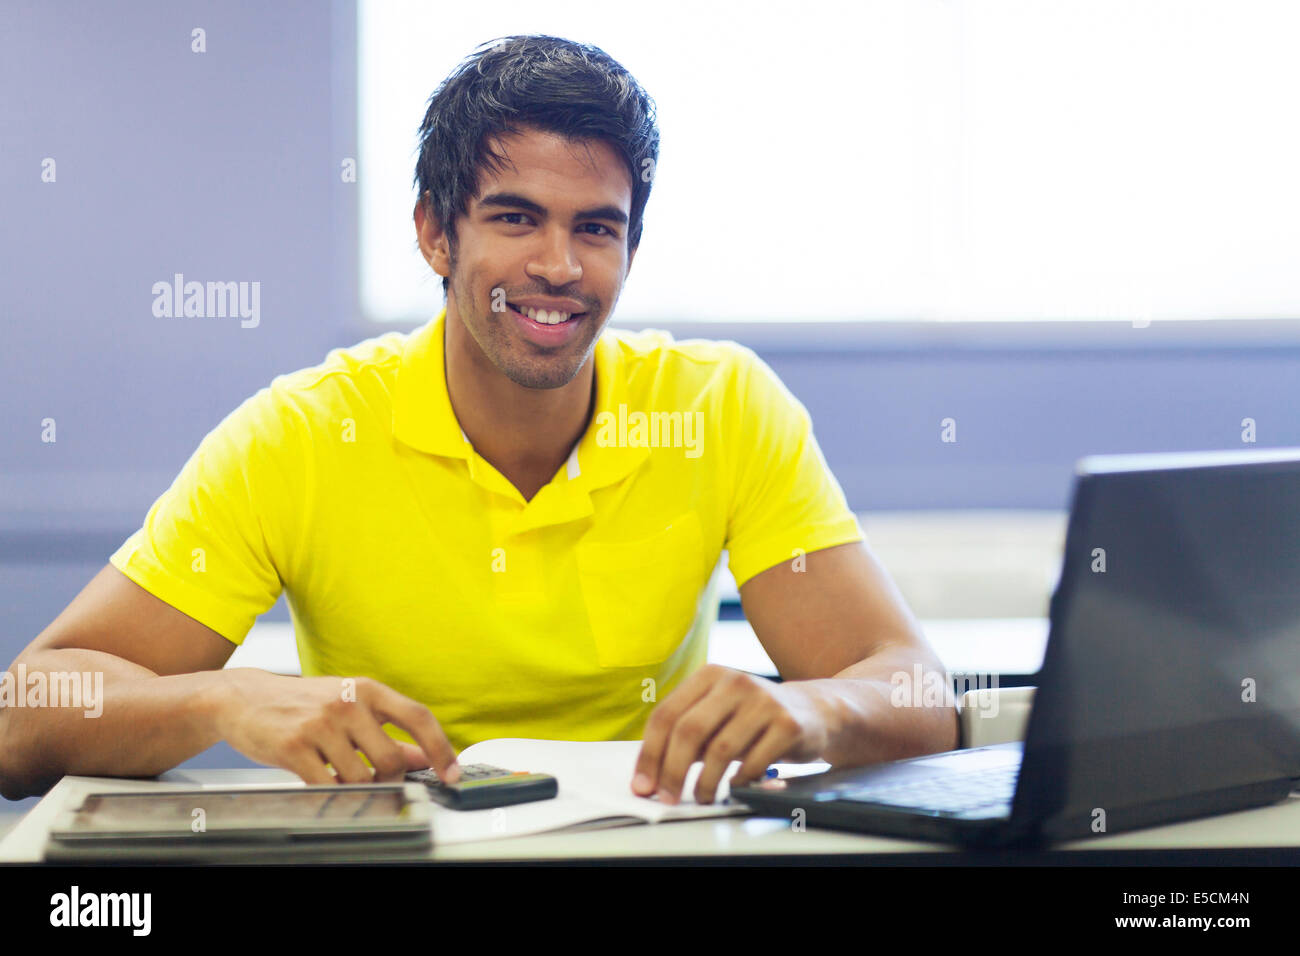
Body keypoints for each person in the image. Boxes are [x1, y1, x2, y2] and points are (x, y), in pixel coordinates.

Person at [0, 34, 956, 806]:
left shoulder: (720, 407)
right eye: (513, 218)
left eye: (597, 227)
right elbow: (22, 718)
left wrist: (816, 713)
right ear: (434, 233)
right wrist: (222, 697)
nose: (558, 266)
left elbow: (914, 691)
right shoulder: (297, 436)